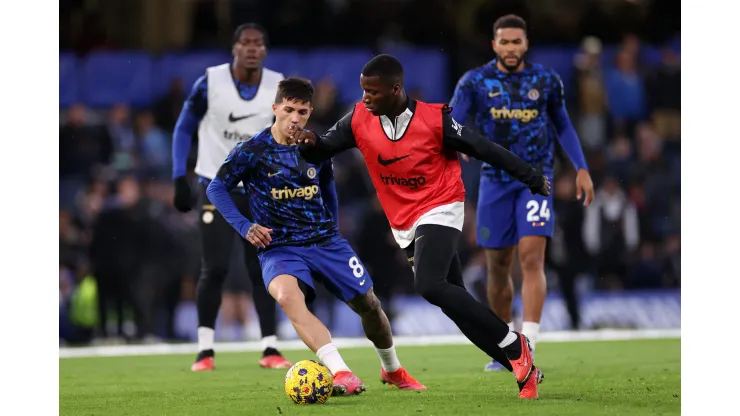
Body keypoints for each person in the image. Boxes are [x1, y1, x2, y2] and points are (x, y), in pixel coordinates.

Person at [291, 54, 548, 399]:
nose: (365, 98)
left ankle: (513, 344)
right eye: (363, 90)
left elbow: (482, 148)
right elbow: (322, 149)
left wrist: (530, 176)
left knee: (428, 284)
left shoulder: (434, 120)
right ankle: (524, 369)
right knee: (455, 304)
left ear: (396, 89)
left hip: (441, 204)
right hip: (404, 220)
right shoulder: (358, 120)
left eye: (373, 92)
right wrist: (309, 144)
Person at [206, 77, 426, 395]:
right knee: (287, 296)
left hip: (325, 241)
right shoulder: (251, 151)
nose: (295, 118)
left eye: (303, 112)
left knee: (370, 306)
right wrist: (245, 226)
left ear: (310, 112)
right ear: (275, 108)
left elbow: (327, 186)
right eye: (289, 110)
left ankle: (392, 369)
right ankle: (341, 372)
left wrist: (333, 227)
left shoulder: (314, 146)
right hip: (279, 247)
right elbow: (216, 187)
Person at [448, 14, 595, 371]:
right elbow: (451, 122)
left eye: (517, 42)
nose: (511, 48)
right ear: (494, 44)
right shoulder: (475, 81)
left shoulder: (546, 81)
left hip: (536, 180)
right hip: (494, 182)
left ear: (526, 44)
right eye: (504, 41)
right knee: (497, 268)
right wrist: (458, 141)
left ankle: (528, 342)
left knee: (531, 257)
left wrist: (581, 167)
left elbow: (563, 124)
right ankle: (507, 347)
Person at [171, 22, 290, 371]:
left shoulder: (277, 86)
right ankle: (205, 350)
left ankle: (270, 347)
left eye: (259, 43)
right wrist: (180, 176)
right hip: (215, 186)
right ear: (234, 48)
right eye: (246, 43)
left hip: (258, 190)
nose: (252, 48)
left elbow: (287, 133)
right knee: (215, 267)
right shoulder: (210, 82)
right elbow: (183, 126)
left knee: (263, 267)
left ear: (265, 50)